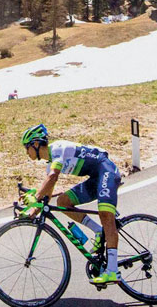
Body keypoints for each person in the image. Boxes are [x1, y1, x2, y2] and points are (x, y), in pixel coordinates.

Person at [20, 123, 122, 287]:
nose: (26, 152)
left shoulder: (57, 149)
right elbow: (47, 196)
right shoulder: (50, 164)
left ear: (36, 144)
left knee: (105, 215)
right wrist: (31, 212)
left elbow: (53, 177)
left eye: (27, 147)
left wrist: (36, 197)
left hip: (107, 170)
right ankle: (98, 231)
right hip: (95, 178)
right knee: (63, 202)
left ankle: (112, 271)